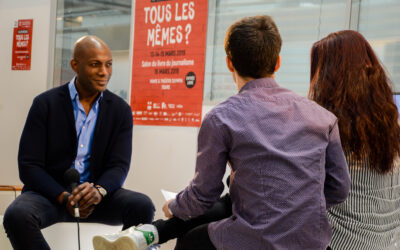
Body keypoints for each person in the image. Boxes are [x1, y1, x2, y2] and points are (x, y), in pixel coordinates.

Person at [93, 15, 351, 250]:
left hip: (252, 240)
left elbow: (204, 195)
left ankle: (146, 234)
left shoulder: (222, 118)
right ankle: (145, 234)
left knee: (191, 240)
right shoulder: (323, 117)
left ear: (229, 63)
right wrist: (294, 206)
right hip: (312, 242)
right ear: (278, 62)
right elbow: (339, 190)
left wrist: (174, 206)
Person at [2, 35, 155, 250]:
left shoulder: (120, 110)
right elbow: (29, 166)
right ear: (75, 65)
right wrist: (64, 197)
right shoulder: (45, 104)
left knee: (142, 205)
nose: (104, 72)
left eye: (108, 65)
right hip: (51, 196)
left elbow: (118, 165)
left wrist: (99, 191)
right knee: (17, 215)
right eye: (95, 64)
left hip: (96, 198)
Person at [309, 30, 400, 250]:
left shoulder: (326, 127)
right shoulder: (390, 124)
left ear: (329, 78)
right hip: (388, 242)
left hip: (340, 242)